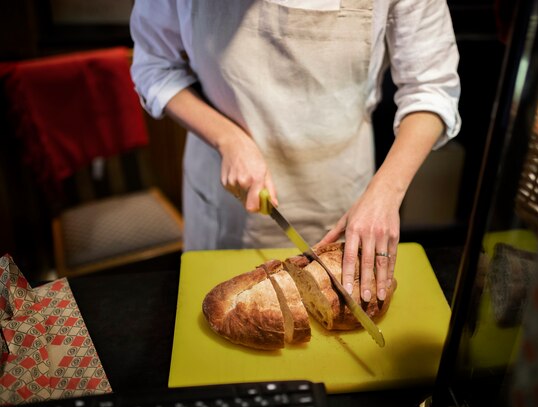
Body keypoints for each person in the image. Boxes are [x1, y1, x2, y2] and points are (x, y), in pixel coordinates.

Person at [130, 0, 461, 304]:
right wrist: (227, 138)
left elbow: (431, 88)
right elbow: (155, 66)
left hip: (341, 198)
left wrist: (387, 192)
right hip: (226, 201)